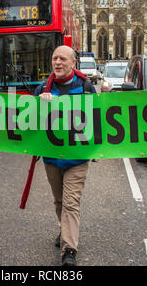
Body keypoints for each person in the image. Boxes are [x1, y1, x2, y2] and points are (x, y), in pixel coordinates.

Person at [33, 45, 96, 266]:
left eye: (62, 59)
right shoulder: (42, 88)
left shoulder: (87, 87)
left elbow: (96, 120)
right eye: (54, 59)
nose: (57, 63)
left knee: (70, 202)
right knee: (59, 201)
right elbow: (30, 122)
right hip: (52, 158)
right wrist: (41, 107)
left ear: (73, 63)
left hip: (77, 159)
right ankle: (65, 230)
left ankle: (69, 249)